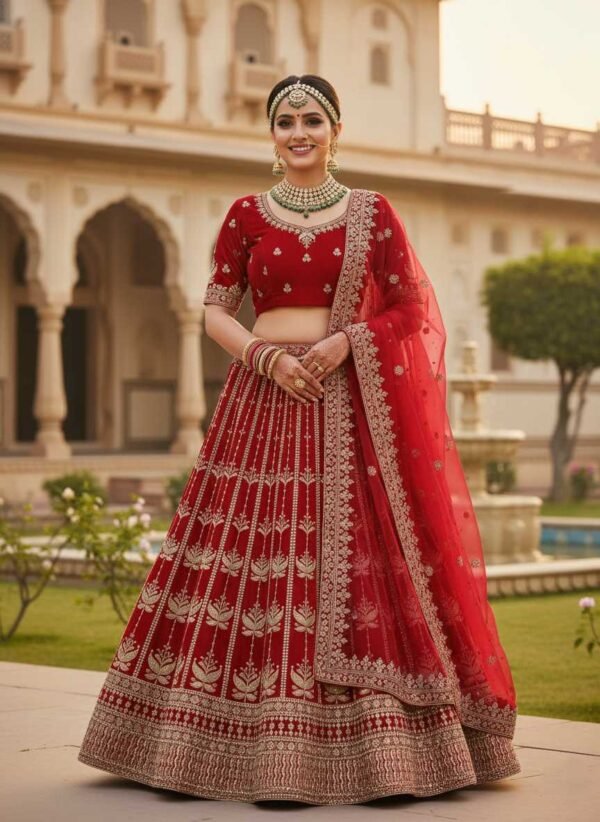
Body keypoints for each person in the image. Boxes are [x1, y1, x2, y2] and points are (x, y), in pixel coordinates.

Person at [77, 74, 521, 805]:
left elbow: (411, 308)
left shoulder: (373, 215)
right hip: (262, 400)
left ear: (335, 129)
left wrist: (347, 343)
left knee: (359, 562)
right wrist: (267, 358)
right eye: (285, 122)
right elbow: (217, 309)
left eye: (312, 119)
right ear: (272, 136)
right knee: (245, 561)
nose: (298, 132)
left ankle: (382, 754)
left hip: (348, 408)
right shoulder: (246, 214)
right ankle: (209, 745)